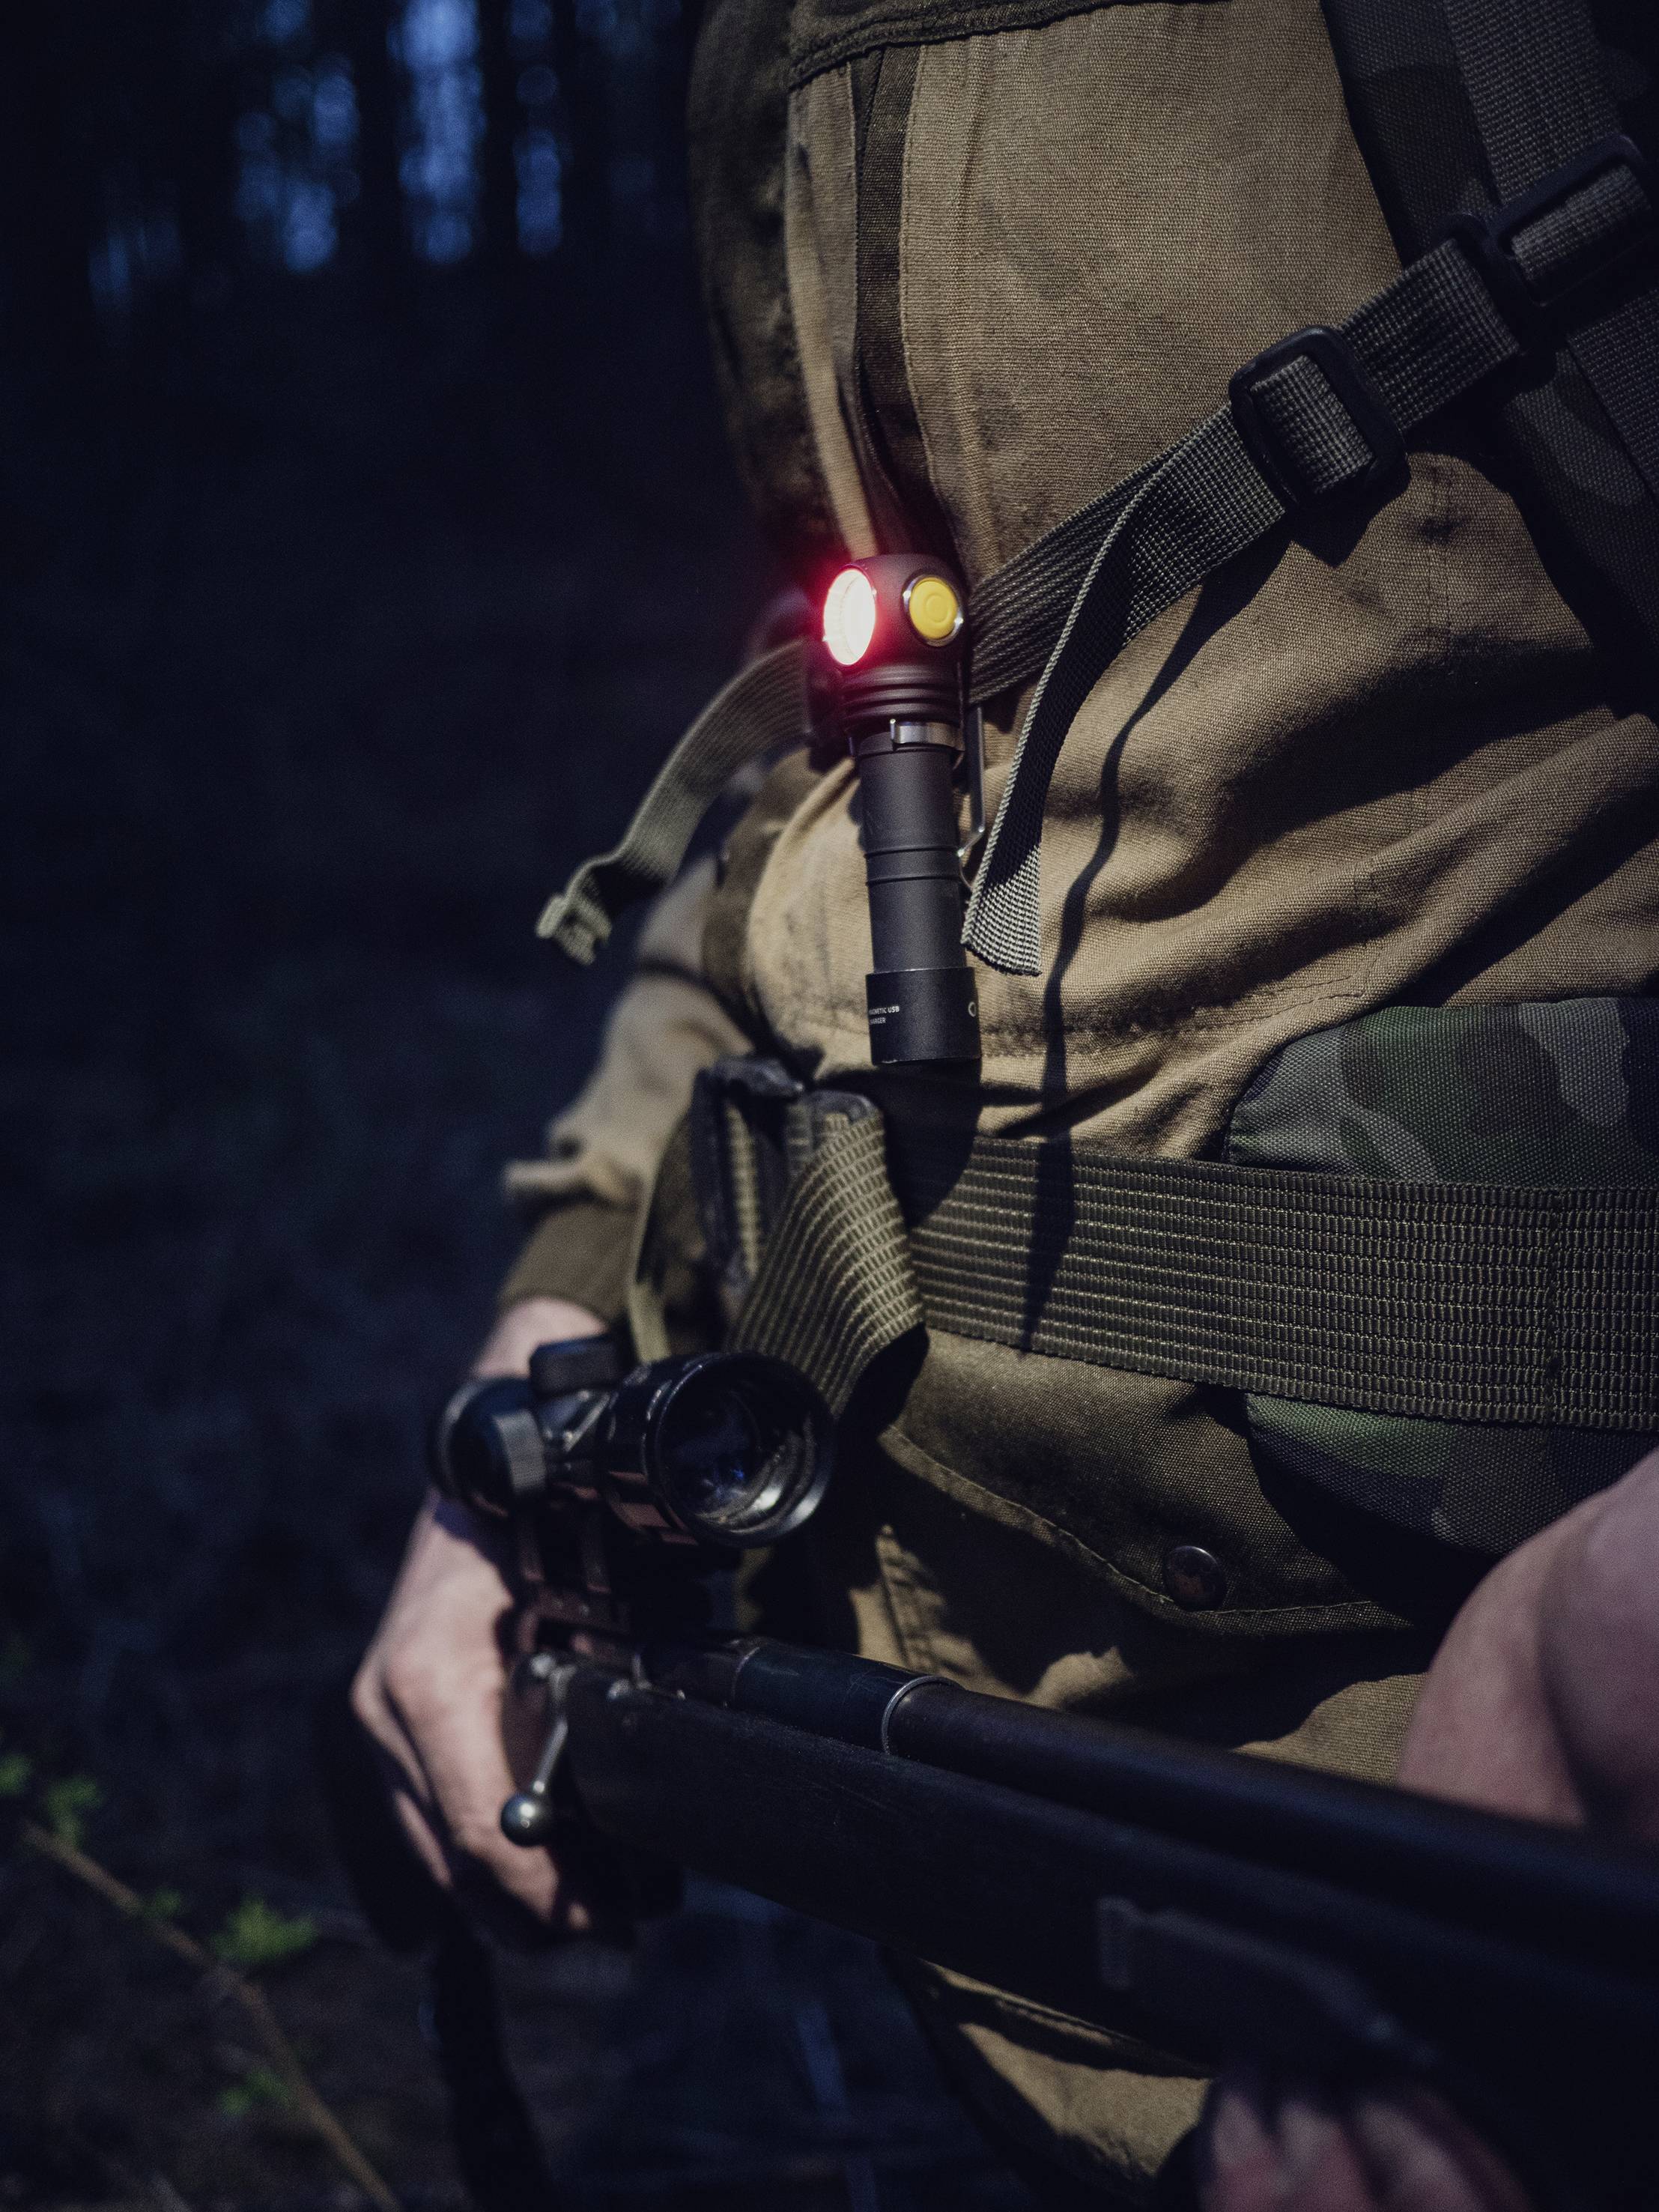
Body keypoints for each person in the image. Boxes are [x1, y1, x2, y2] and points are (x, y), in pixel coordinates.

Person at [352, 0, 1659, 2201]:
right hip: (968, 1834)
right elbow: (838, 761)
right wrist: (561, 1318)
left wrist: (1610, 1628)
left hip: (1492, 1870)